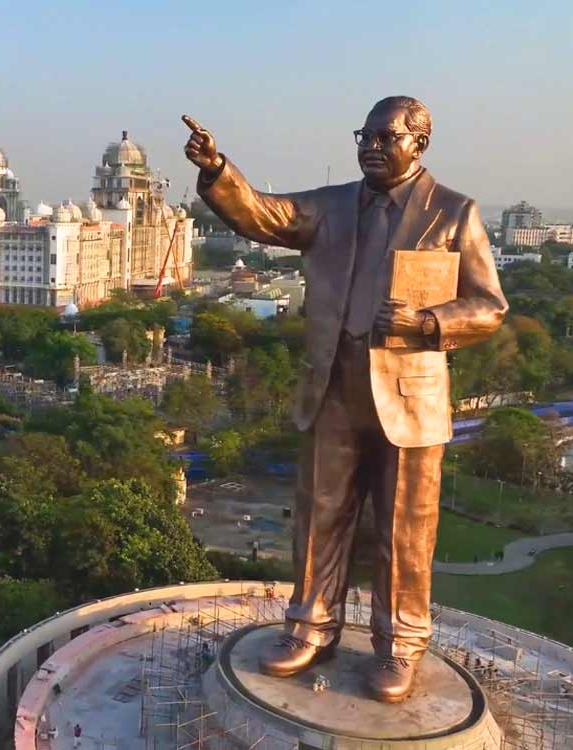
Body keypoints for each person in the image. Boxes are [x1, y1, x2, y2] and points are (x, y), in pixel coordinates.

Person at [183, 97, 507, 702]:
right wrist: (218, 170)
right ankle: (310, 626)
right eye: (366, 135)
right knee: (319, 513)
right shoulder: (331, 207)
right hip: (334, 383)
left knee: (404, 529)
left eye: (387, 137)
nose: (373, 146)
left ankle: (400, 646)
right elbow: (264, 216)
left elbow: (489, 306)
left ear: (419, 144)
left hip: (408, 395)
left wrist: (429, 321)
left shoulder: (454, 213)